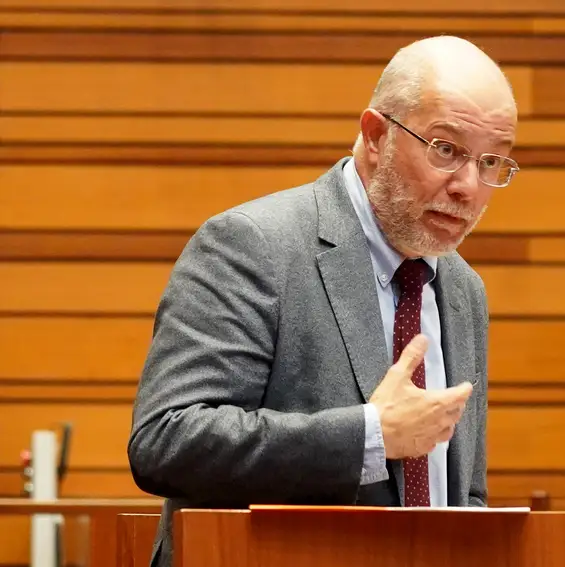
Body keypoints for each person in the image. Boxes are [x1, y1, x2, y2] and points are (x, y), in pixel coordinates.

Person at [126, 35, 519, 567]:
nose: (469, 187)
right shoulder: (253, 245)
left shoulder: (463, 289)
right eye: (445, 150)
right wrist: (371, 435)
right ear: (376, 134)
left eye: (492, 161)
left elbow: (461, 492)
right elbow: (168, 440)